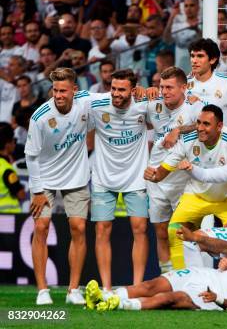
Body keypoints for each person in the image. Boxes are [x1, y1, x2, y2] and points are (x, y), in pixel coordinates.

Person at [25, 68, 96, 305]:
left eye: (63, 90)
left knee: (78, 227)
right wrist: (36, 192)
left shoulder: (85, 102)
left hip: (75, 176)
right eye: (55, 90)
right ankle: (42, 291)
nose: (58, 95)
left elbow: (112, 97)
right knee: (42, 227)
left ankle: (73, 290)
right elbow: (31, 157)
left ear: (74, 90)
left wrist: (142, 91)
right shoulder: (40, 117)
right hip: (43, 178)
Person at [144, 104, 227, 269]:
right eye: (198, 123)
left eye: (206, 124)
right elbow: (162, 171)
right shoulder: (188, 139)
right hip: (195, 195)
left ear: (219, 126)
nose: (200, 128)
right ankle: (183, 280)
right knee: (175, 231)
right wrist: (153, 176)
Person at [87, 69, 150, 299]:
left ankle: (137, 288)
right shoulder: (97, 103)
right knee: (102, 229)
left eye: (121, 89)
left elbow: (167, 112)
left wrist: (152, 93)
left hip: (136, 176)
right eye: (113, 88)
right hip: (104, 176)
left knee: (140, 229)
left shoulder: (144, 105)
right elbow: (70, 97)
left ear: (133, 90)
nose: (115, 93)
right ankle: (106, 288)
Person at [85, 252, 227, 312]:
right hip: (203, 275)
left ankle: (115, 304)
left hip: (209, 297)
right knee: (150, 285)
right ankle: (102, 297)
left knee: (167, 299)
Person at [146, 67, 203, 273]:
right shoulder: (153, 105)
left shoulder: (195, 106)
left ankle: (190, 273)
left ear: (184, 87)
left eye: (169, 87)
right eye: (161, 87)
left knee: (184, 230)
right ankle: (168, 275)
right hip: (156, 177)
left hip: (183, 178)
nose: (164, 92)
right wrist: (141, 91)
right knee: (160, 230)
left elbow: (204, 124)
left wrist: (178, 130)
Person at [185, 38, 227, 130]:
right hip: (191, 142)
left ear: (213, 59)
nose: (194, 60)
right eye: (192, 56)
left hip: (221, 141)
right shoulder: (183, 85)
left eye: (200, 56)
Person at [0, 124, 24, 213]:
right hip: (8, 216)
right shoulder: (6, 169)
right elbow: (21, 194)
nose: (15, 143)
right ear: (7, 144)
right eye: (14, 141)